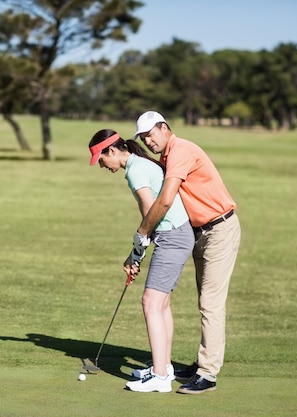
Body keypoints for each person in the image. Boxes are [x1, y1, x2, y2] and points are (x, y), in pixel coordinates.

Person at [128, 110, 241, 394]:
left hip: (219, 228)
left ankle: (208, 373)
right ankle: (200, 363)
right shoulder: (167, 156)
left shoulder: (181, 150)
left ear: (164, 128)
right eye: (143, 138)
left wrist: (142, 233)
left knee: (210, 304)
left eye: (150, 135)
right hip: (199, 232)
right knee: (204, 301)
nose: (148, 142)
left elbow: (165, 200)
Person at [88, 129, 194, 393]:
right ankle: (164, 367)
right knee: (162, 303)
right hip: (174, 235)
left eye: (101, 160)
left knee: (150, 302)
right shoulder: (139, 165)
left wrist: (138, 246)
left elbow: (150, 213)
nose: (102, 166)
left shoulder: (136, 170)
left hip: (172, 236)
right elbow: (148, 219)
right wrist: (137, 251)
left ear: (111, 151)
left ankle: (159, 377)